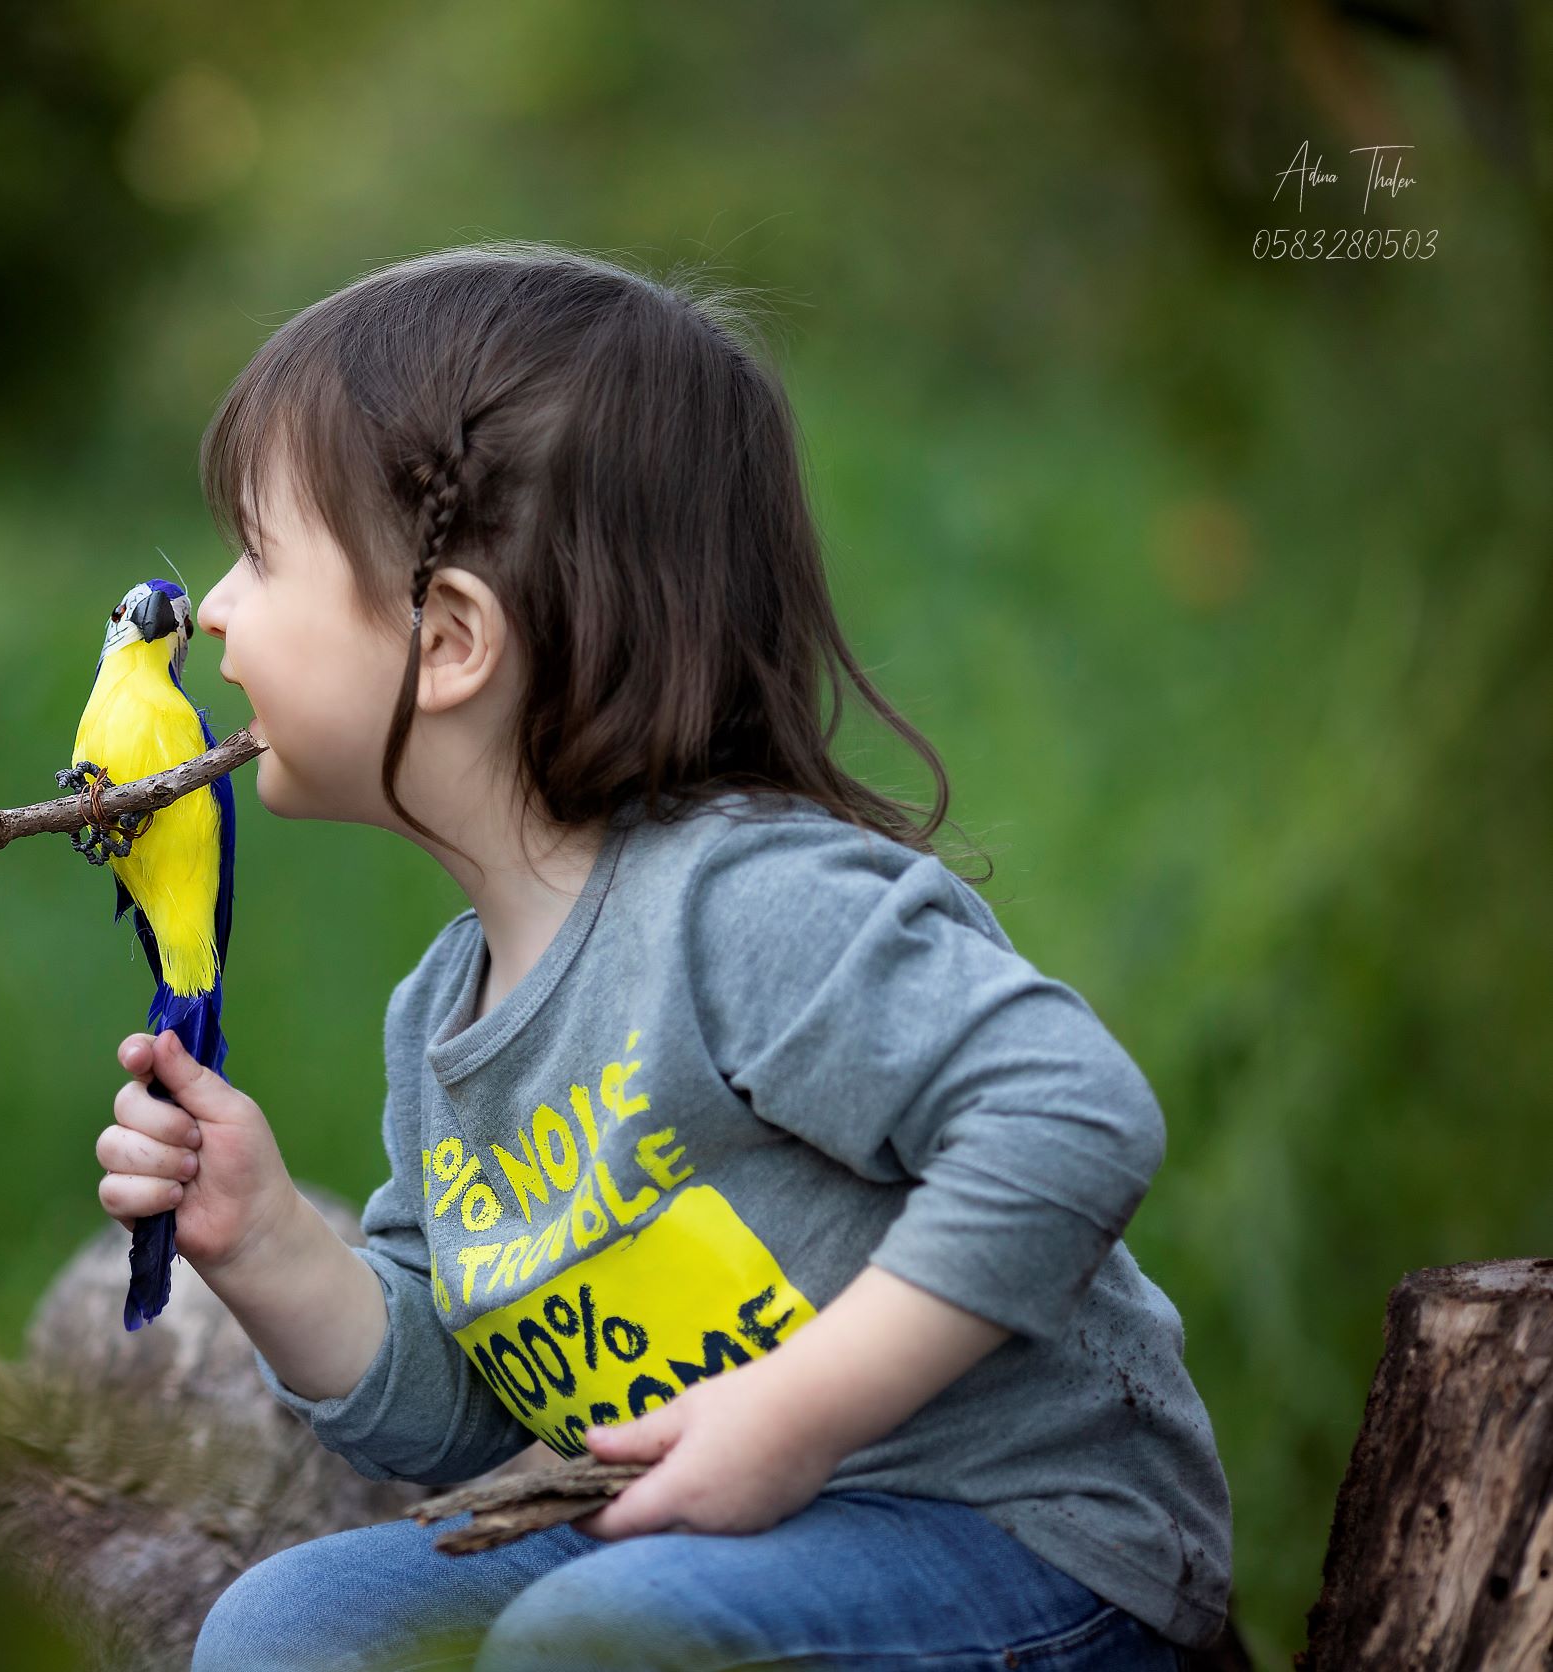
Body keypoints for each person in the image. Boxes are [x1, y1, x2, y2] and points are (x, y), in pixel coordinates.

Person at [91, 241, 1230, 1671]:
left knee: (597, 1636)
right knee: (292, 1626)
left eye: (261, 554)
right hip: (686, 1540)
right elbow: (459, 1414)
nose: (212, 610)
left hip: (1013, 1548)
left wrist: (794, 1412)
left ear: (448, 641)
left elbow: (1073, 1117)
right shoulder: (445, 1014)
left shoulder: (746, 905)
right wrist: (265, 1245)